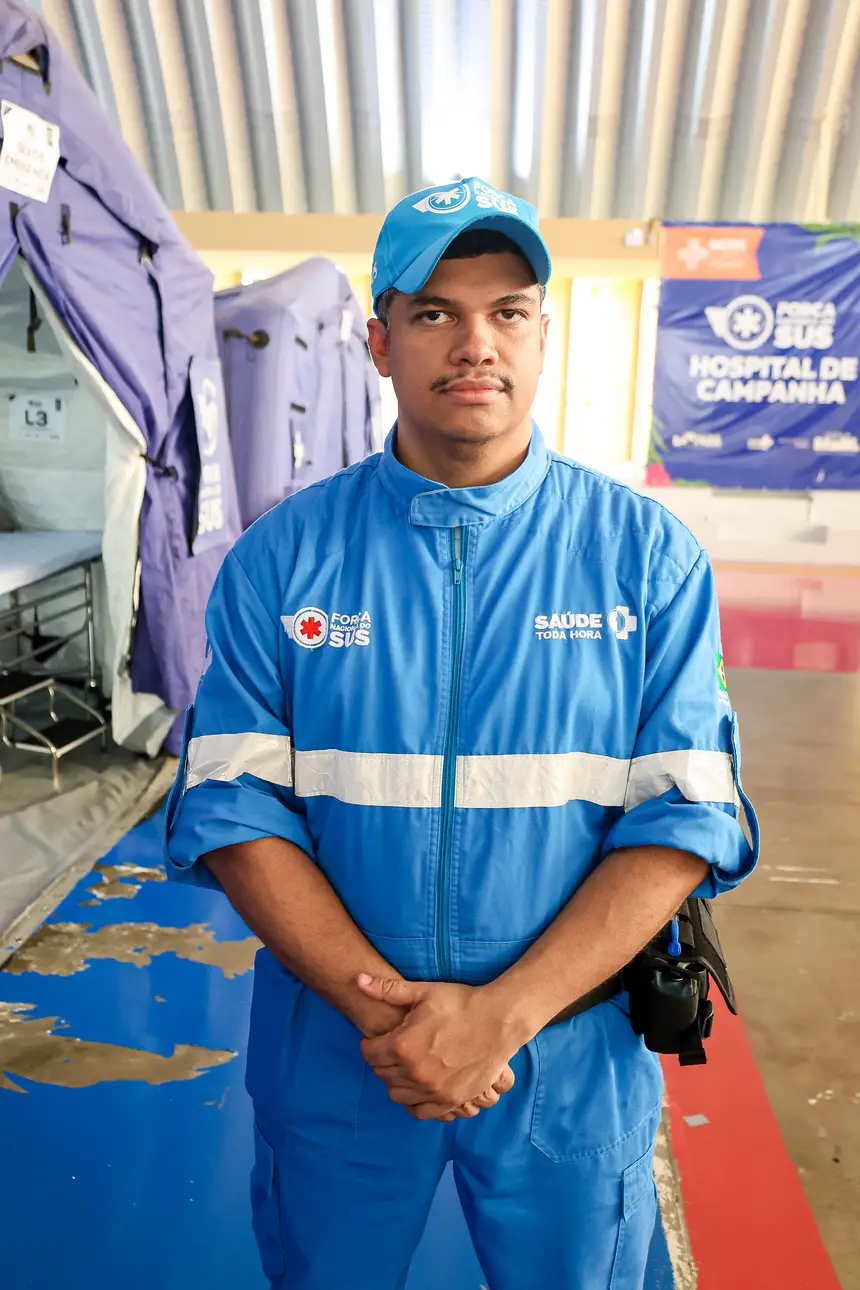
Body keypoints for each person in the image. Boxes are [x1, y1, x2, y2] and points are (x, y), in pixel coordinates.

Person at [164, 176, 757, 1289]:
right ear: (379, 342)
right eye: (433, 312)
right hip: (343, 1055)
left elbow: (686, 816)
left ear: (544, 336)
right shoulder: (282, 559)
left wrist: (498, 1020)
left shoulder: (646, 558)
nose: (473, 343)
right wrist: (391, 1020)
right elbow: (231, 807)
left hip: (567, 1055)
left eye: (507, 312)